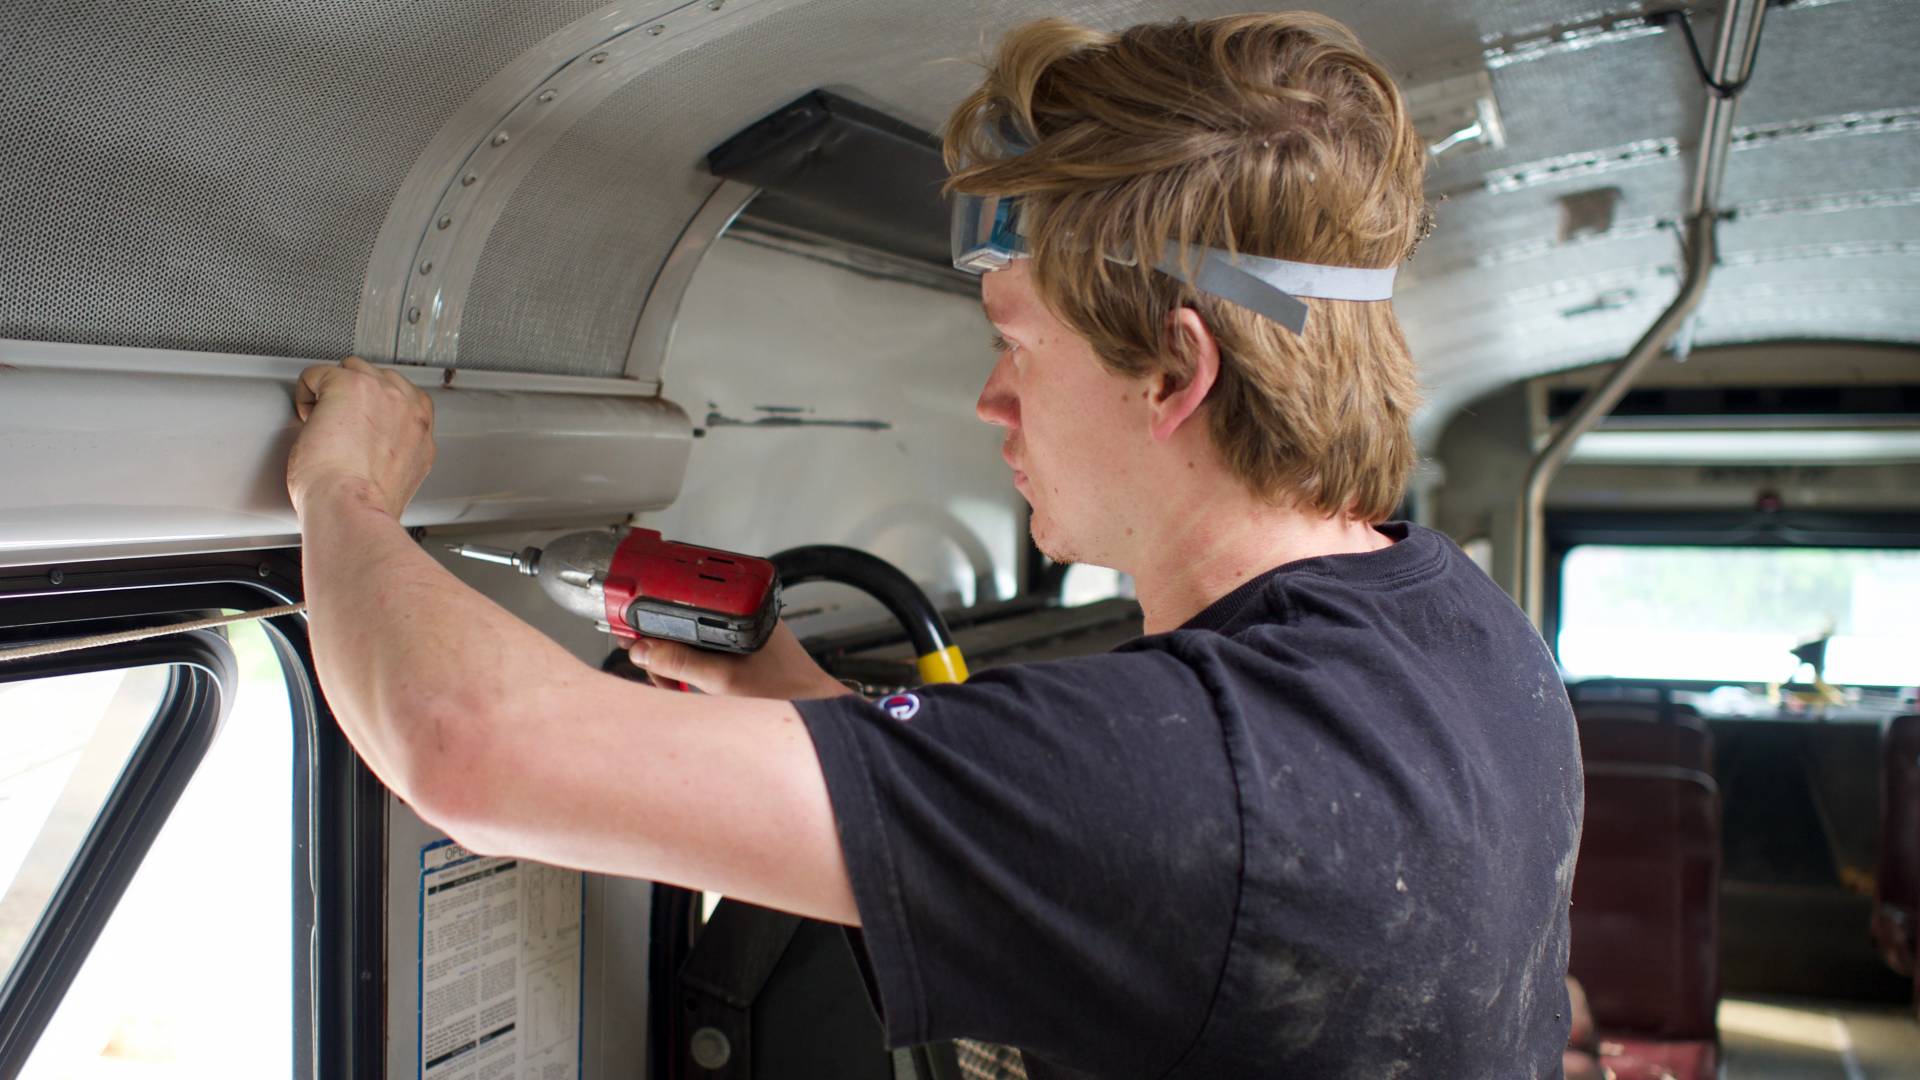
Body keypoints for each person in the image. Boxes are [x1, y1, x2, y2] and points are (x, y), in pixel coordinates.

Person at [286, 12, 1582, 1079]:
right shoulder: (1468, 639)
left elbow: (470, 748)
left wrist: (344, 494)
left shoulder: (1201, 771)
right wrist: (792, 695)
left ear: (1174, 370)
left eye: (1016, 343)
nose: (989, 401)